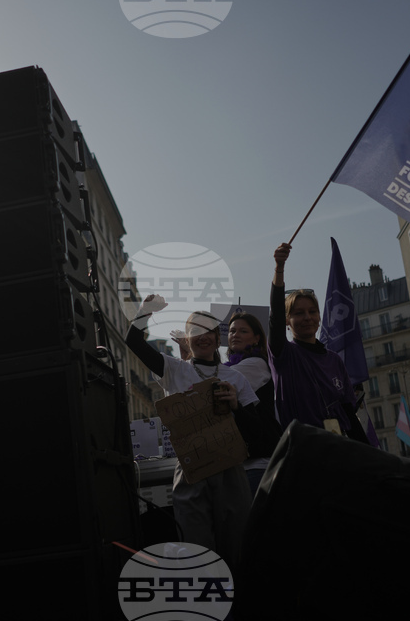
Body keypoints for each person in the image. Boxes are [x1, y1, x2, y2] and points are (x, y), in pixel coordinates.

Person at [126, 296, 258, 568]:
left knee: (238, 547)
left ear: (216, 338)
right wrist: (145, 312)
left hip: (231, 470)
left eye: (208, 330)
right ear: (187, 338)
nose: (203, 336)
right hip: (190, 471)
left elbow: (259, 428)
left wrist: (236, 405)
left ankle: (241, 606)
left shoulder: (236, 378)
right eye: (195, 331)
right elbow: (133, 342)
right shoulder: (173, 370)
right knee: (197, 552)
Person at [269, 243, 368, 442]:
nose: (307, 317)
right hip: (303, 450)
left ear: (320, 317)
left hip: (340, 447)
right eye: (298, 313)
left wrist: (370, 457)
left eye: (312, 312)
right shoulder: (284, 355)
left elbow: (349, 412)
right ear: (288, 321)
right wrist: (279, 268)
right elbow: (276, 317)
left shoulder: (334, 360)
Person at [224, 312, 284, 494]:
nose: (236, 335)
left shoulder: (256, 364)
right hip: (242, 463)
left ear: (257, 338)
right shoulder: (232, 366)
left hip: (258, 464)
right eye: (232, 331)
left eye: (243, 331)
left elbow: (214, 382)